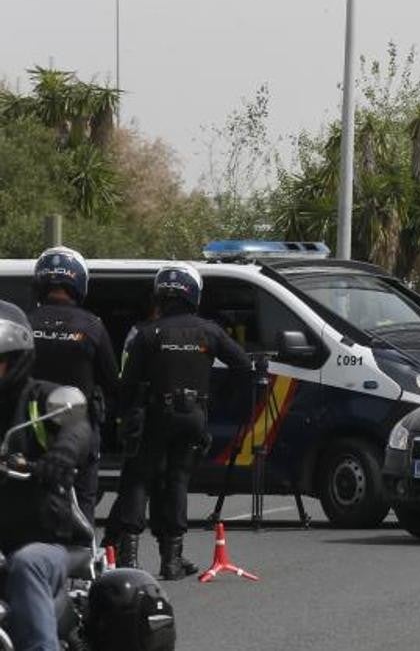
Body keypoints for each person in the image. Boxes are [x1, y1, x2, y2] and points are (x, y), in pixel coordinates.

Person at [110, 263, 250, 580]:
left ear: (161, 294)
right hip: (193, 417)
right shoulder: (209, 331)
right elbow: (243, 366)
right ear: (194, 295)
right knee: (177, 482)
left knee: (138, 480)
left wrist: (125, 416)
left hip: (155, 414)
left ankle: (129, 558)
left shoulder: (148, 334)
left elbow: (128, 384)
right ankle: (171, 561)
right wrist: (217, 397)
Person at [0, 301, 93, 651]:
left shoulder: (44, 399)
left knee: (28, 564)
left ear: (17, 359)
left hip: (49, 542)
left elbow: (77, 427)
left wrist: (62, 454)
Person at [28, 246, 119, 517]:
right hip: (78, 428)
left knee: (27, 497)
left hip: (29, 426)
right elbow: (112, 381)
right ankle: (82, 554)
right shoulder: (92, 325)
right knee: (83, 500)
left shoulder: (24, 322)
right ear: (78, 282)